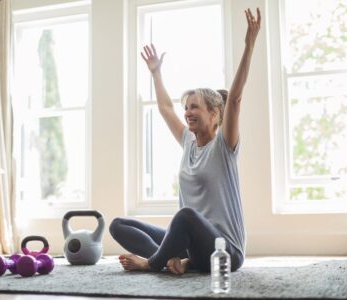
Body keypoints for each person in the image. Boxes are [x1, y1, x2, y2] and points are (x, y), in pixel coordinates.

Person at [109, 8, 261, 275]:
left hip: (227, 253)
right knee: (118, 225)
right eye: (187, 107)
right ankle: (178, 261)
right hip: (195, 245)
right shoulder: (188, 142)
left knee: (185, 216)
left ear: (214, 114)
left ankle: (153, 264)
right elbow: (166, 108)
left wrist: (249, 45)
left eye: (195, 107)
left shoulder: (224, 146)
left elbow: (235, 98)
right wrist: (156, 72)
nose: (188, 112)